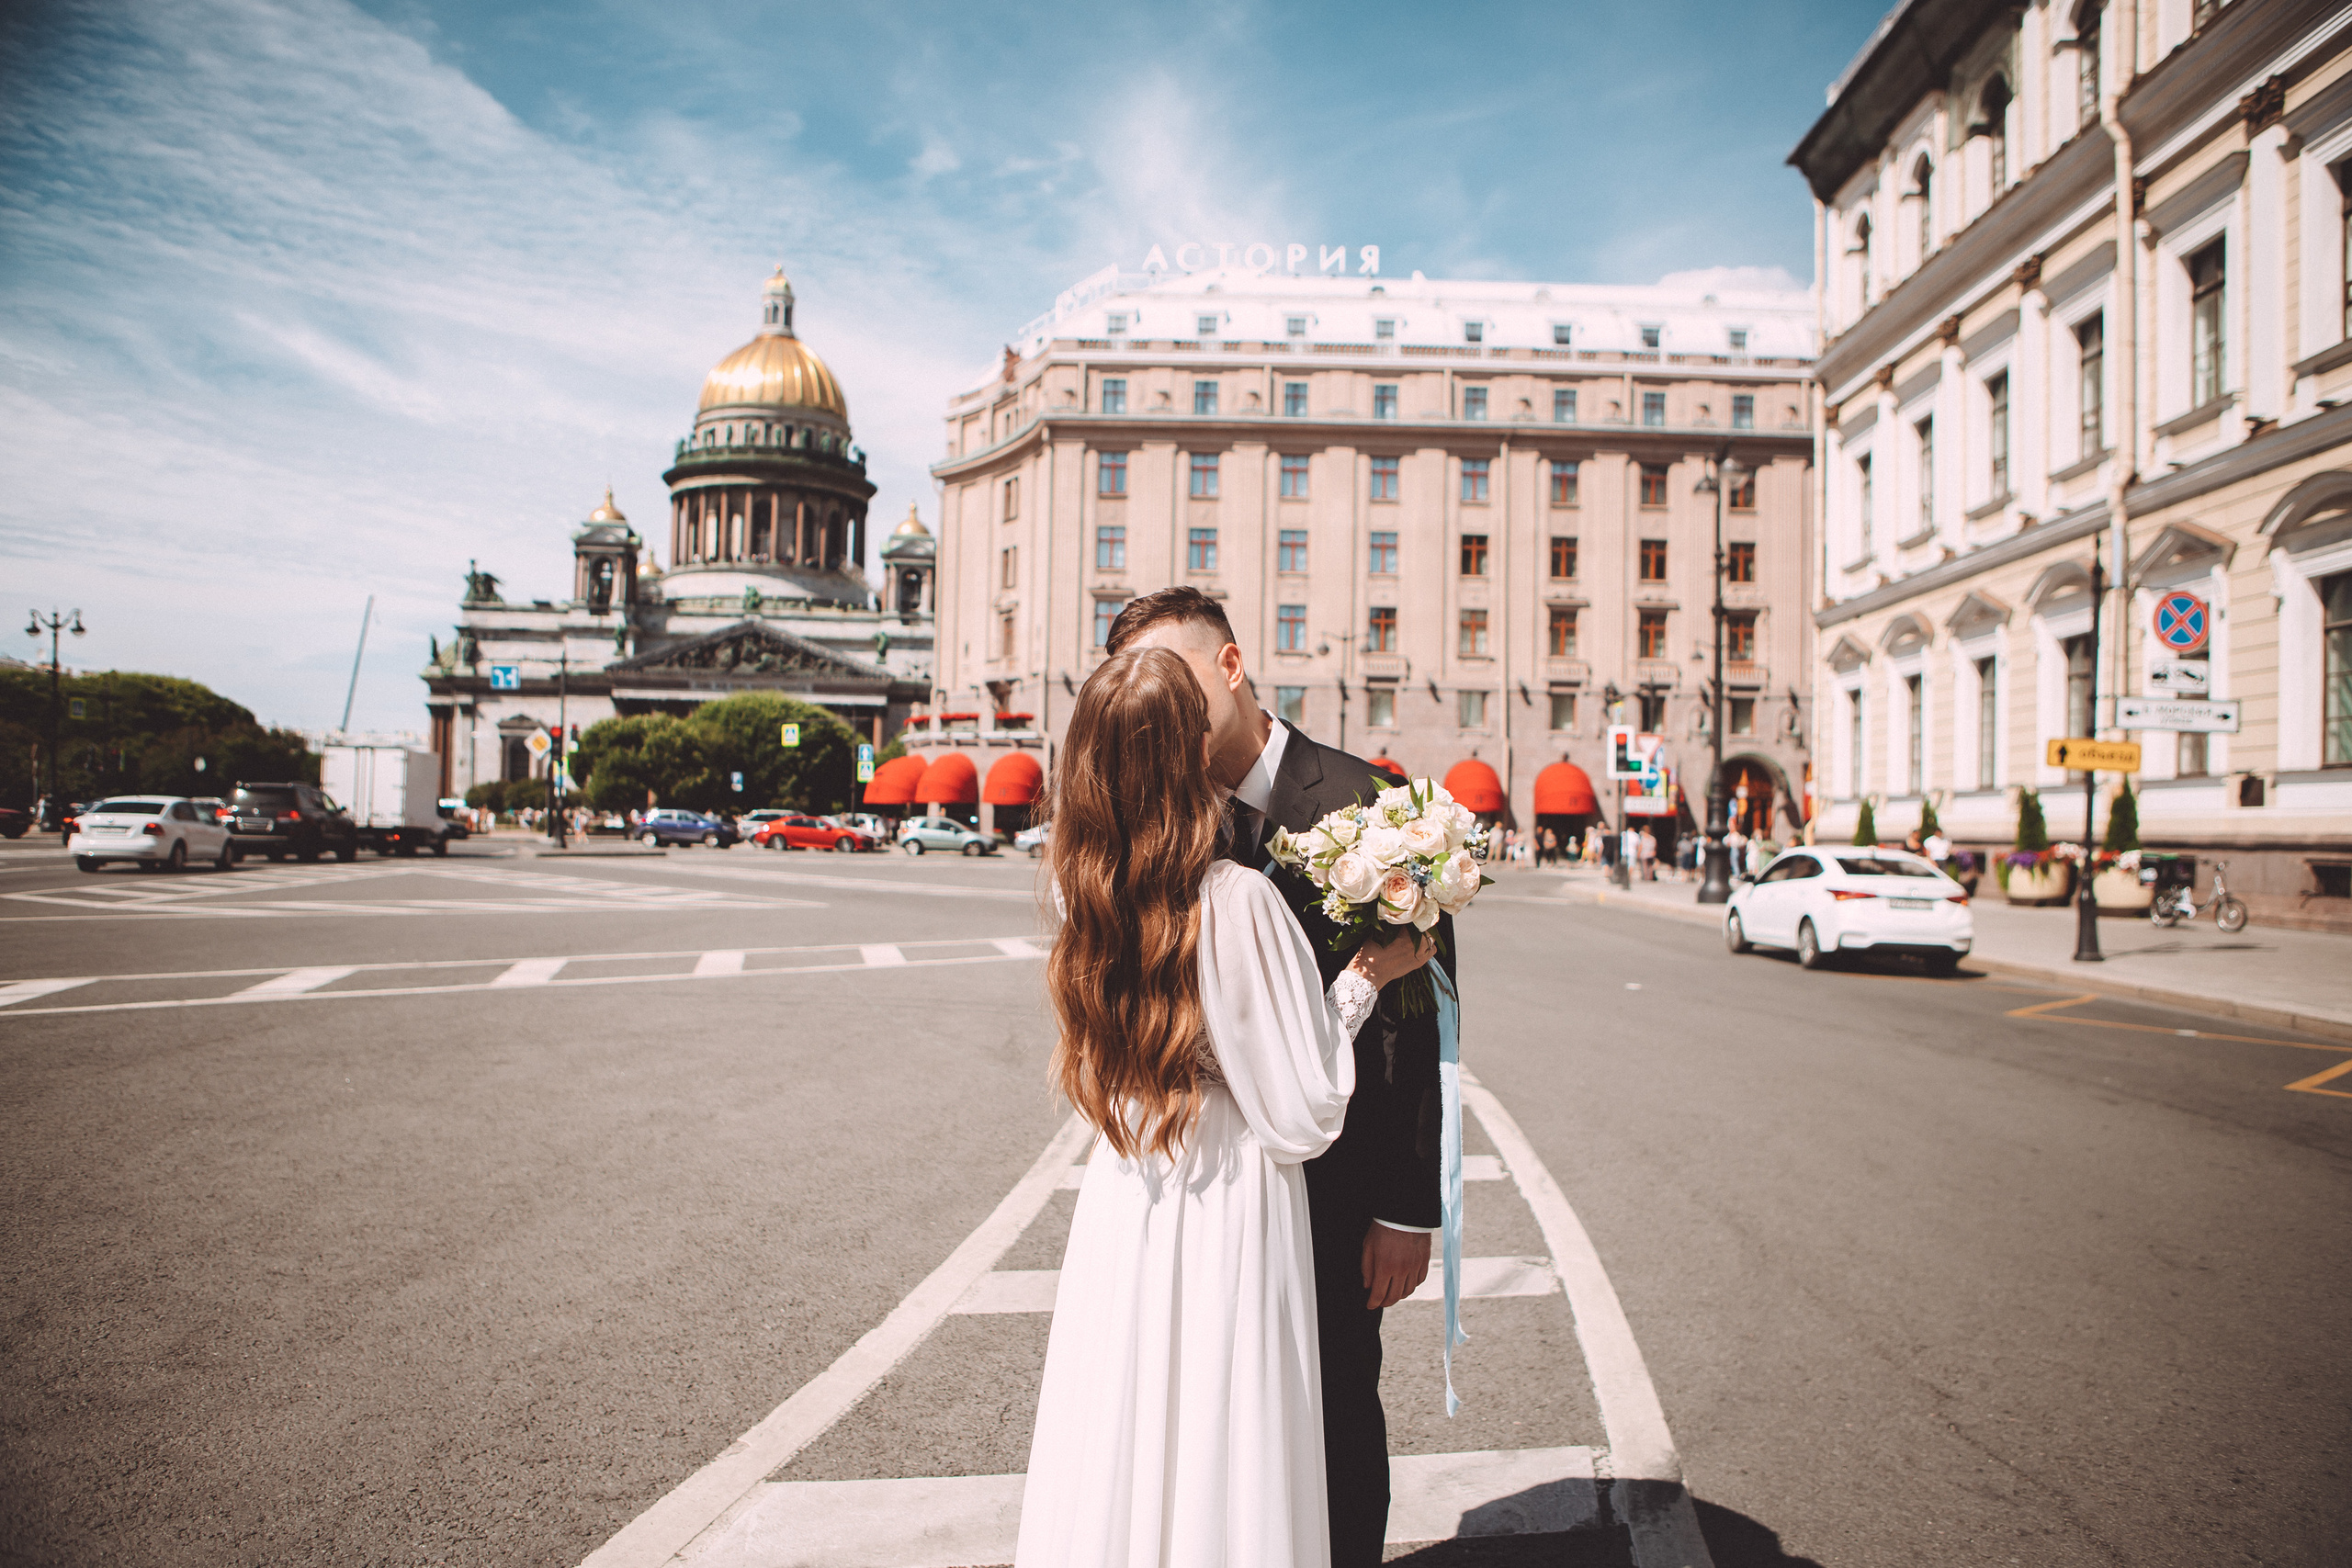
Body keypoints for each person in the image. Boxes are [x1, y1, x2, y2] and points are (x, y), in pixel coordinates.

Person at [1020, 643, 1435, 1568]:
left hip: (1131, 1188)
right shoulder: (1233, 900)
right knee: (1224, 1426)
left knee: (1127, 1425)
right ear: (1188, 755)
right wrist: (1364, 975)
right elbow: (1301, 1108)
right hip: (1229, 1192)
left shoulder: (1075, 889)